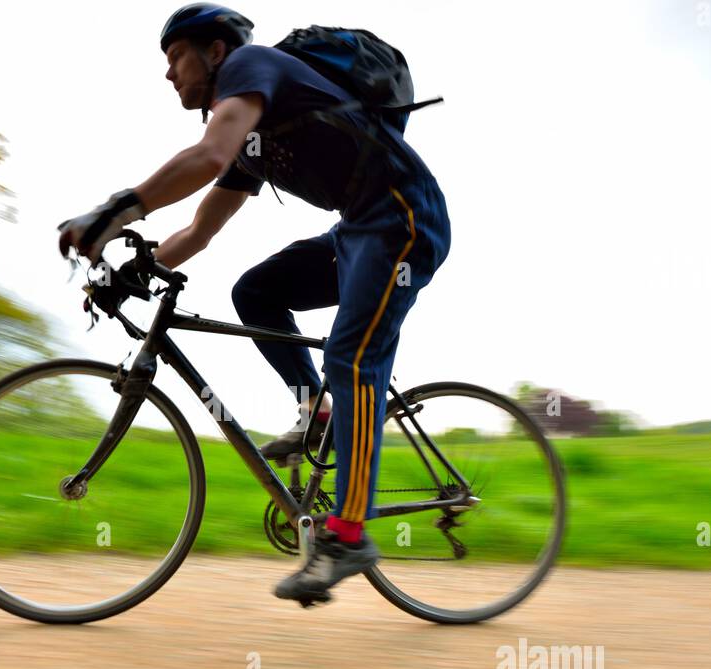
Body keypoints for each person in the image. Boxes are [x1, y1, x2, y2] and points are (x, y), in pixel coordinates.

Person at [57, 5, 452, 604]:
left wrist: (113, 211)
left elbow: (205, 157)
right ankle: (318, 410)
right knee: (256, 292)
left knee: (352, 356)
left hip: (404, 223)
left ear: (216, 53)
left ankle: (348, 536)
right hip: (358, 233)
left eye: (174, 58)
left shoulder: (252, 65)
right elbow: (197, 233)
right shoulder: (251, 139)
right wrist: (132, 270)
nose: (168, 75)